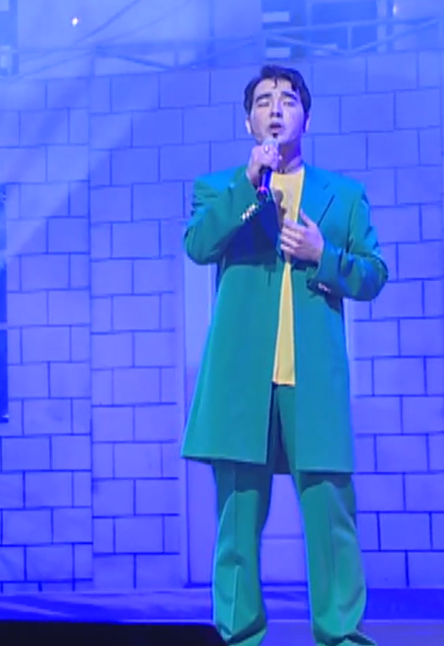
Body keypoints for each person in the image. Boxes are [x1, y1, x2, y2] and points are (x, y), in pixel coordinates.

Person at [181, 65, 386, 646]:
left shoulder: (343, 196)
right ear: (249, 121)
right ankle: (240, 637)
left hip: (311, 383)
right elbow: (198, 245)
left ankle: (342, 638)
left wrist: (325, 255)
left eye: (288, 99)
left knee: (331, 523)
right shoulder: (220, 188)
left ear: (306, 119)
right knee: (237, 526)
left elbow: (374, 275)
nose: (276, 108)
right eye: (264, 101)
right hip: (240, 384)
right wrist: (248, 186)